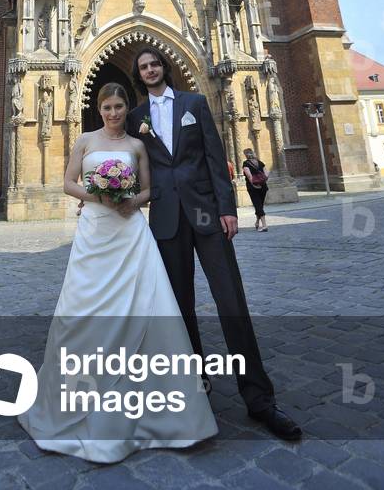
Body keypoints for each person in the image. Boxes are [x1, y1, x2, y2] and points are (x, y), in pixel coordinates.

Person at [17, 82, 218, 463]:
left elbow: (149, 188)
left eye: (119, 106)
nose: (113, 112)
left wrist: (130, 200)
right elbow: (68, 183)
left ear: (128, 109)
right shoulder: (85, 140)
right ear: (99, 108)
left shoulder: (137, 145)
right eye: (107, 107)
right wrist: (102, 196)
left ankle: (161, 412)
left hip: (129, 232)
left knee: (147, 303)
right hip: (96, 232)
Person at [127, 46, 301, 441]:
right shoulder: (137, 118)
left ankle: (259, 399)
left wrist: (228, 208)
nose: (151, 70)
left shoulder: (194, 102)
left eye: (155, 64)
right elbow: (137, 171)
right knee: (179, 308)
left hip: (207, 214)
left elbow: (213, 155)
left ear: (164, 67)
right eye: (144, 67)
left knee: (231, 302)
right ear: (138, 75)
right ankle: (194, 387)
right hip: (167, 219)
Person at [242, 148, 269, 231]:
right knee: (260, 205)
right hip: (263, 186)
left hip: (253, 188)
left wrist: (254, 185)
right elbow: (267, 174)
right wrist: (263, 181)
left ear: (246, 155)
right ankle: (257, 222)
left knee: (258, 205)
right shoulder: (260, 162)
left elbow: (249, 176)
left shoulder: (246, 164)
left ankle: (264, 226)